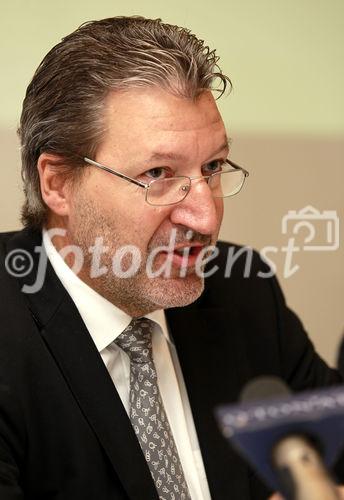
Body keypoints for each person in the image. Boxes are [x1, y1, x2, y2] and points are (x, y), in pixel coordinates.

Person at [0, 16, 342, 500]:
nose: (205, 218)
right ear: (57, 183)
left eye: (213, 167)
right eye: (158, 173)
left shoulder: (243, 291)